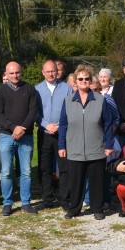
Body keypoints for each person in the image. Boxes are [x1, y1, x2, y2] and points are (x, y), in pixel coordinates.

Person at [58, 65, 115, 220]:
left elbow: (108, 124)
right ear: (75, 81)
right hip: (74, 148)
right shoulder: (68, 101)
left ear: (91, 81)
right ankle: (74, 208)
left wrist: (109, 145)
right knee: (75, 181)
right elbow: (63, 124)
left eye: (87, 78)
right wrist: (61, 145)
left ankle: (97, 208)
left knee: (97, 181)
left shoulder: (100, 100)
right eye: (80, 78)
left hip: (96, 148)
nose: (84, 81)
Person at [0, 61, 39, 216]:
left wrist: (22, 128)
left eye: (17, 72)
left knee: (26, 171)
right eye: (11, 73)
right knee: (6, 172)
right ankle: (7, 203)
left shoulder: (30, 89)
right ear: (6, 74)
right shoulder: (0, 92)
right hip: (6, 136)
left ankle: (25, 203)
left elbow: (33, 111)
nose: (14, 75)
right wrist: (14, 127)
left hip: (25, 136)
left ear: (21, 72)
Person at [35, 60, 74, 210]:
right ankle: (47, 199)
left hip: (62, 133)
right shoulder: (36, 89)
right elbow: (35, 112)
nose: (51, 74)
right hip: (44, 133)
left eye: (53, 71)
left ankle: (65, 199)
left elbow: (71, 110)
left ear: (57, 72)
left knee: (64, 167)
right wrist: (46, 124)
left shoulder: (67, 88)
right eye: (48, 71)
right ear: (43, 72)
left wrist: (59, 125)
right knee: (45, 168)